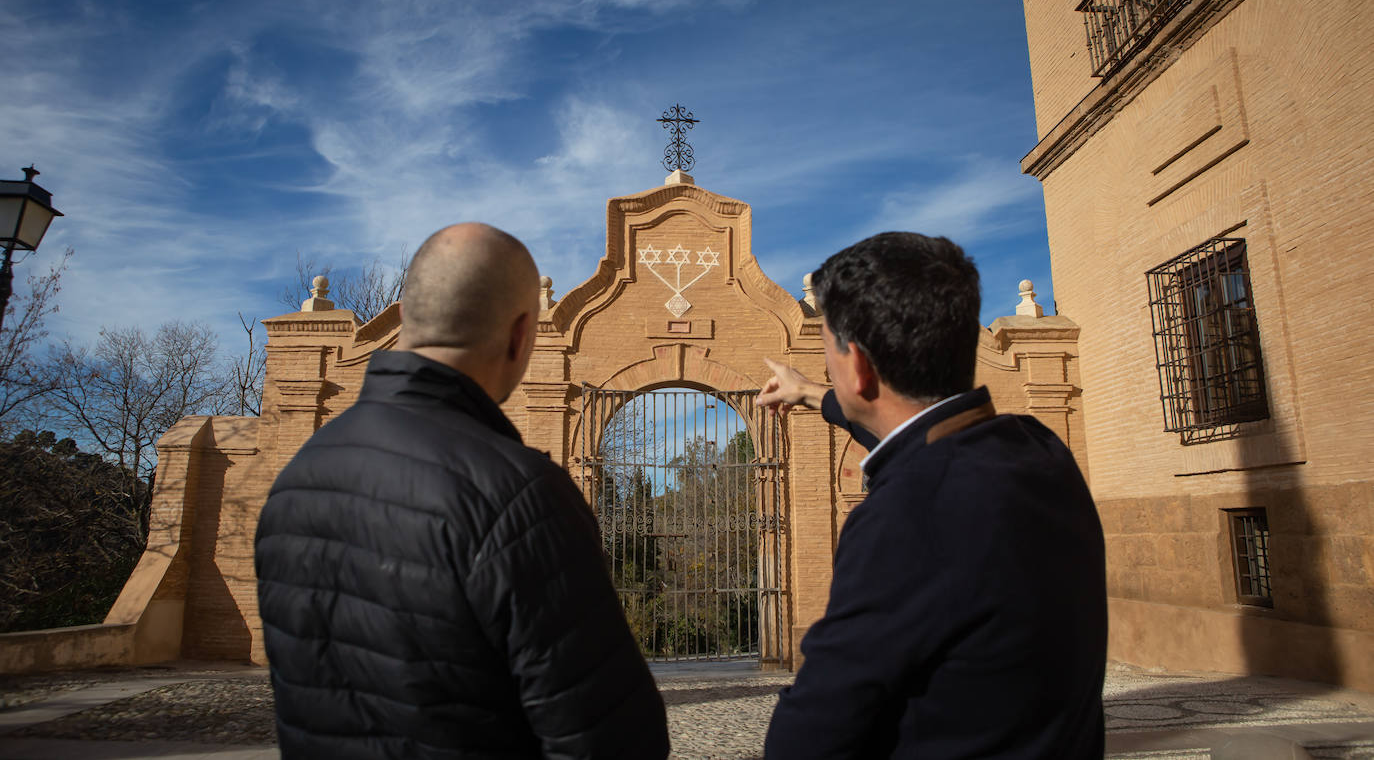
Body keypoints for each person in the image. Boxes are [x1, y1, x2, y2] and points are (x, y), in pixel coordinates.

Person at [255, 223, 670, 760]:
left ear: (404, 317)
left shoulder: (294, 481)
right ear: (523, 335)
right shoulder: (520, 495)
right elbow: (611, 739)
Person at [760, 232, 1106, 759]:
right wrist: (809, 391)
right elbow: (916, 433)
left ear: (858, 367)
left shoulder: (905, 517)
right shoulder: (1040, 451)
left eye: (829, 351)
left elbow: (813, 734)